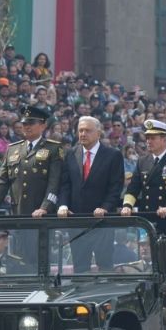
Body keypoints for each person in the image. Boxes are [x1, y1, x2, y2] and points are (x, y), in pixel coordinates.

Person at [57, 115, 125, 272]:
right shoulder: (70, 154)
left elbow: (115, 187)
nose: (82, 134)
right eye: (80, 130)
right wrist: (63, 205)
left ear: (98, 133)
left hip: (102, 222)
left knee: (105, 265)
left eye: (87, 130)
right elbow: (65, 184)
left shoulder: (112, 155)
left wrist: (105, 207)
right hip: (76, 220)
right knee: (80, 267)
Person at [0, 106, 64, 218]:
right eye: (24, 124)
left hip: (42, 215)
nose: (27, 127)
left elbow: (54, 182)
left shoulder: (53, 149)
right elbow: (1, 181)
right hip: (18, 212)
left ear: (43, 125)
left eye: (31, 123)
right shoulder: (12, 149)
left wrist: (45, 207)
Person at [121, 120, 166, 240]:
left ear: (164, 140)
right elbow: (133, 188)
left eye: (153, 138)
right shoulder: (142, 161)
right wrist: (127, 205)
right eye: (147, 138)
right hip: (147, 217)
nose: (148, 141)